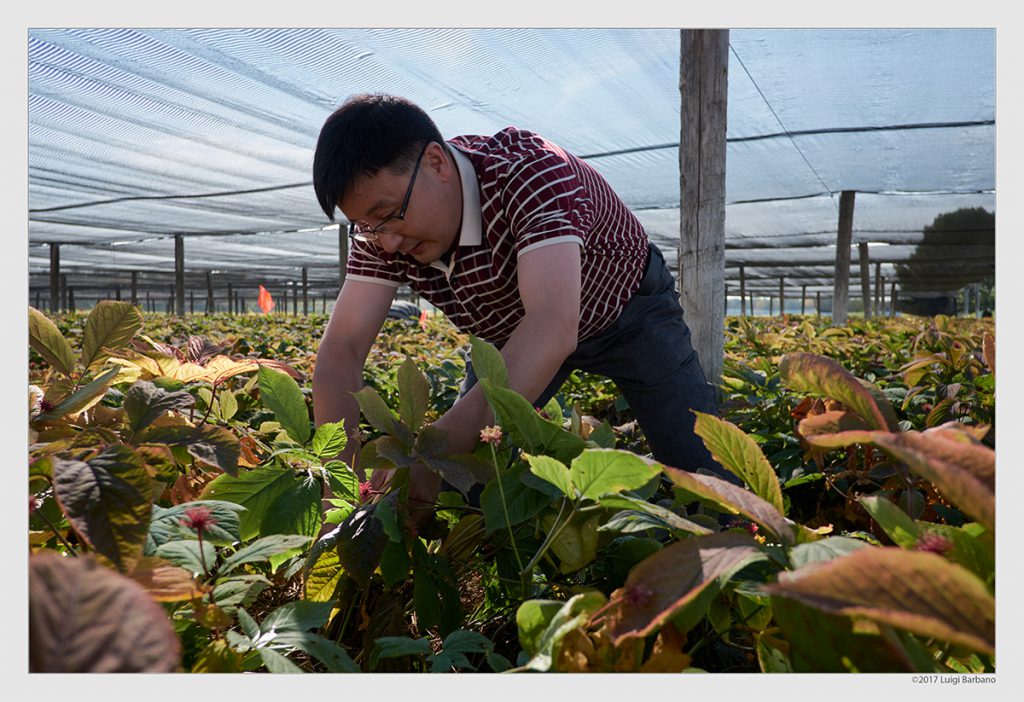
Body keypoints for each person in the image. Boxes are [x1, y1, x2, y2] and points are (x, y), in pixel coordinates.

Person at [311, 93, 730, 523]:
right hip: (511, 337)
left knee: (704, 474)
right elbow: (341, 351)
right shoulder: (382, 234)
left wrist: (427, 454)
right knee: (470, 486)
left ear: (436, 163)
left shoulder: (529, 172)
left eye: (389, 215)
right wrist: (340, 495)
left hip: (626, 312)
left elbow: (551, 325)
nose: (388, 242)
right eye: (367, 226)